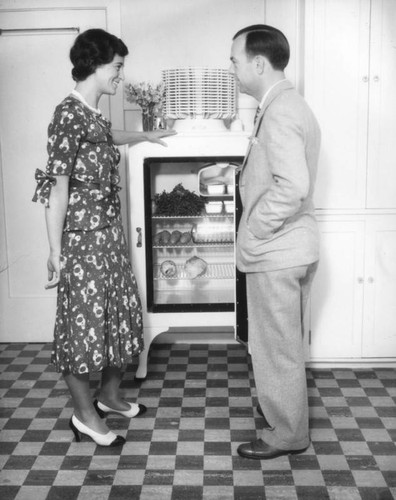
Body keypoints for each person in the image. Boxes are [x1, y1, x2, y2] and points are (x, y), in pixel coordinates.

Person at [32, 28, 176, 447]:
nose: (121, 75)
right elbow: (57, 187)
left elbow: (106, 137)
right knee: (84, 329)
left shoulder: (90, 114)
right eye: (117, 66)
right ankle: (83, 414)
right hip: (82, 243)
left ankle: (110, 396)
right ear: (96, 64)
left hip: (108, 238)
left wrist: (144, 136)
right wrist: (55, 252)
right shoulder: (66, 113)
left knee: (118, 318)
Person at [229, 25, 321, 459]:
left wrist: (254, 229)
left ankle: (288, 435)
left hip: (277, 251)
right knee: (283, 346)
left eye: (235, 59)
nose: (232, 68)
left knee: (277, 349)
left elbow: (292, 186)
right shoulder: (287, 103)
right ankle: (285, 420)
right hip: (292, 247)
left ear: (258, 63)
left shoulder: (281, 109)